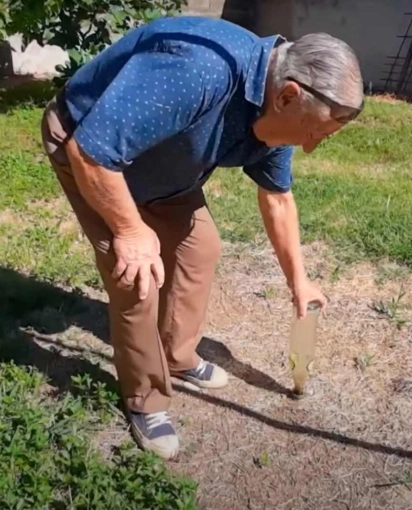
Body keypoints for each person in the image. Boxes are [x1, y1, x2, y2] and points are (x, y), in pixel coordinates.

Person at [40, 15, 364, 459]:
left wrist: (299, 281)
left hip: (165, 162)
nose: (309, 147)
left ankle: (176, 354)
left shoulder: (277, 103)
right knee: (136, 275)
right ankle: (146, 399)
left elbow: (278, 199)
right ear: (289, 95)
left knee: (201, 249)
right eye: (313, 133)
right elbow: (93, 152)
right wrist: (131, 231)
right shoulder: (198, 71)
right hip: (89, 145)